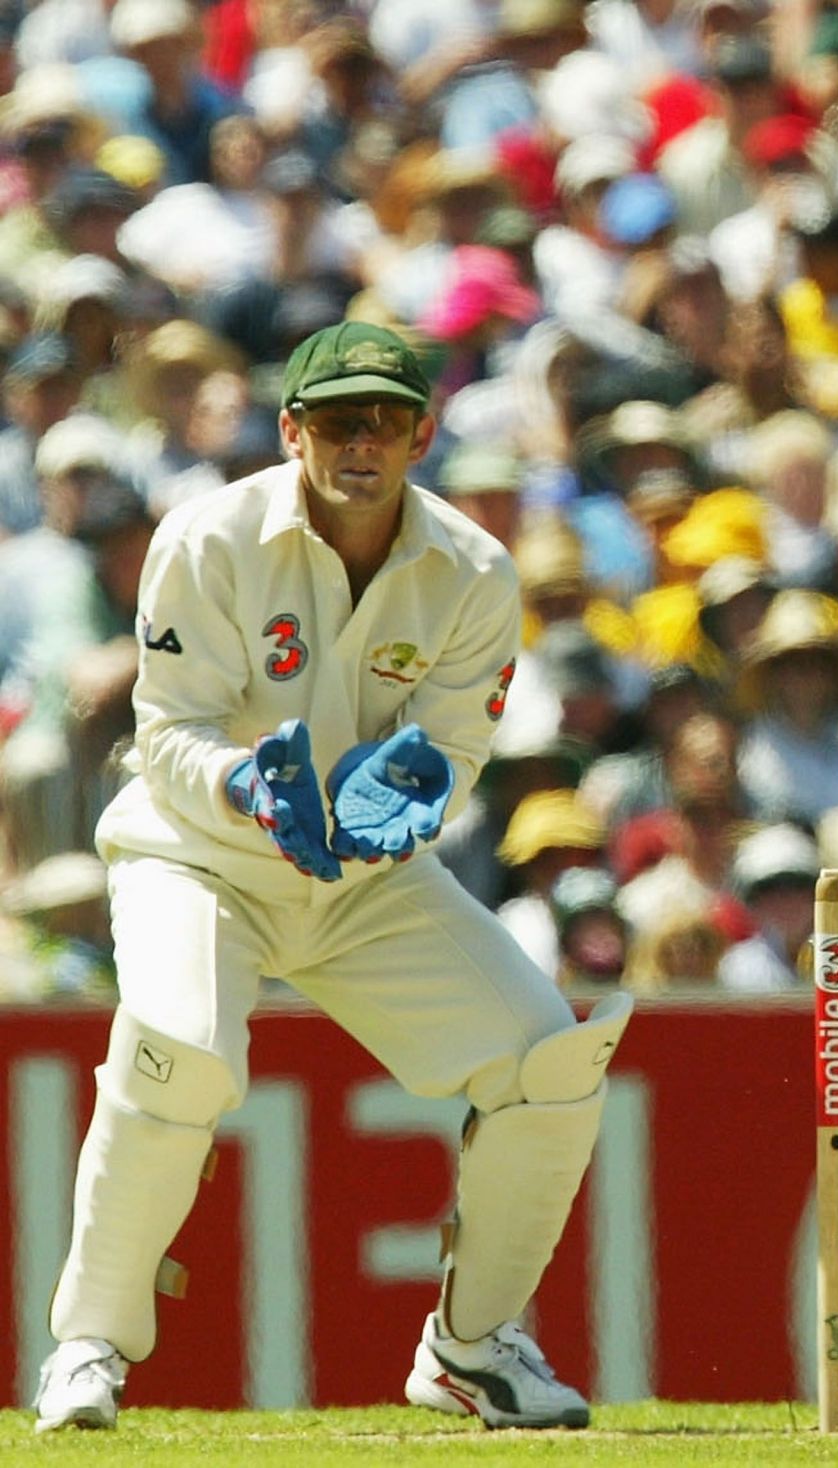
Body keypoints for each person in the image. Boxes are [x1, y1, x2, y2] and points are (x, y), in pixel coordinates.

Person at [31, 322, 631, 1433]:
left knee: (549, 1062)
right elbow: (166, 737)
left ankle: (472, 1349)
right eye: (340, 421)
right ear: (291, 430)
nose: (364, 443)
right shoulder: (211, 538)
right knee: (185, 1057)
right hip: (196, 853)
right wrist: (252, 792)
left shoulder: (474, 570)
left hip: (360, 882)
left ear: (423, 435)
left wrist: (403, 798)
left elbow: (453, 748)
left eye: (388, 422)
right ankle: (90, 1347)